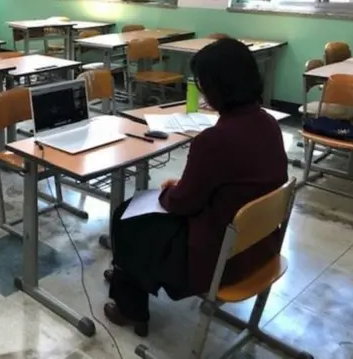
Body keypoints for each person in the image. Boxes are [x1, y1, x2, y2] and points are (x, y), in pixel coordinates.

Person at [103, 38, 289, 337]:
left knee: (128, 216)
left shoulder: (214, 140)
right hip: (260, 246)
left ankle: (130, 307)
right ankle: (129, 274)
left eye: (202, 85)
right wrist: (189, 185)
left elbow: (182, 204)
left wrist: (169, 191)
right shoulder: (268, 124)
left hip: (218, 260)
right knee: (142, 222)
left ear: (217, 88)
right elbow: (236, 184)